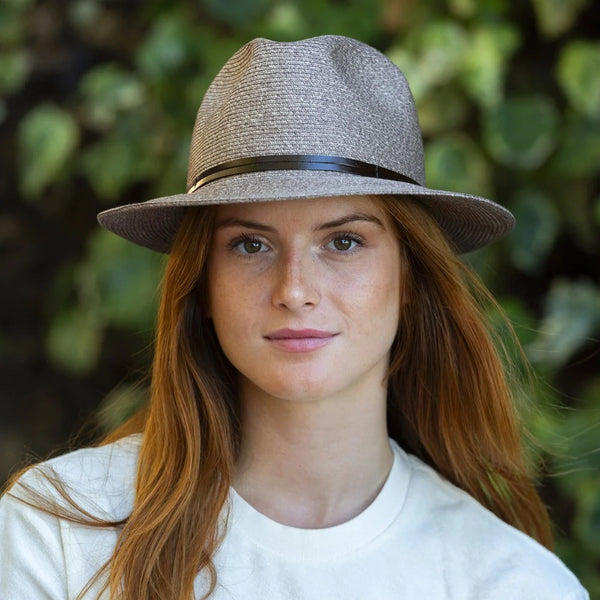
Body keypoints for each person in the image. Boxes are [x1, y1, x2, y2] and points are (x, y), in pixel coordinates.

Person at [0, 35, 588, 600]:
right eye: (250, 245)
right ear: (203, 282)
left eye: (344, 242)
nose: (295, 290)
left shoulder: (513, 584)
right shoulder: (58, 534)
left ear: (409, 276)